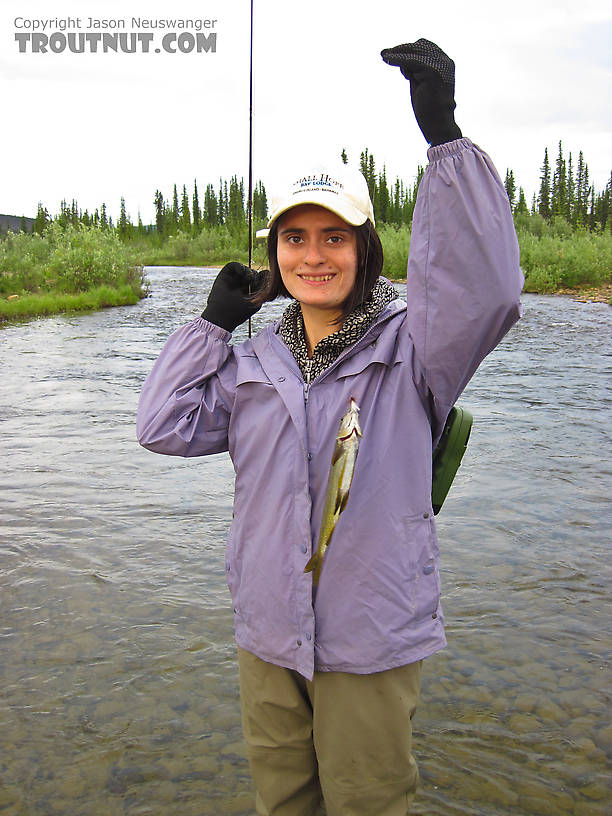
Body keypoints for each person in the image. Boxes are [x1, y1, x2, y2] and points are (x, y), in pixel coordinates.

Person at [137, 39, 523, 816]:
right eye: (295, 238)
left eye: (334, 237)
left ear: (365, 245)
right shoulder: (252, 359)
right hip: (269, 632)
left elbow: (488, 291)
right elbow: (163, 424)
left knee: (369, 804)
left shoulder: (419, 347)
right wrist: (212, 326)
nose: (314, 256)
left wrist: (444, 140)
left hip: (370, 636)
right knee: (283, 804)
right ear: (275, 254)